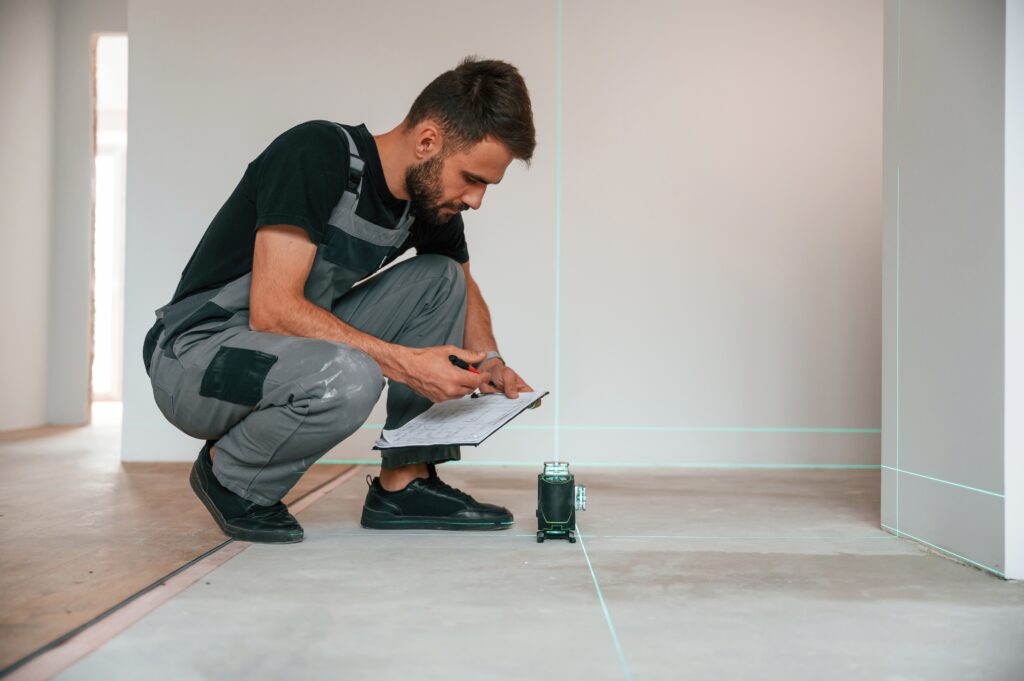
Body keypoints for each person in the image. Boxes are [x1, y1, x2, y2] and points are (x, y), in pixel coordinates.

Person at [143, 57, 541, 544]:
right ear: (428, 141)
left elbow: (463, 283)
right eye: (472, 178)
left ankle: (405, 484)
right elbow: (273, 308)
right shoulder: (316, 152)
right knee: (352, 373)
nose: (476, 199)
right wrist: (408, 364)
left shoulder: (428, 203)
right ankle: (232, 476)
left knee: (440, 277)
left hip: (286, 352)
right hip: (197, 359)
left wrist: (491, 361)